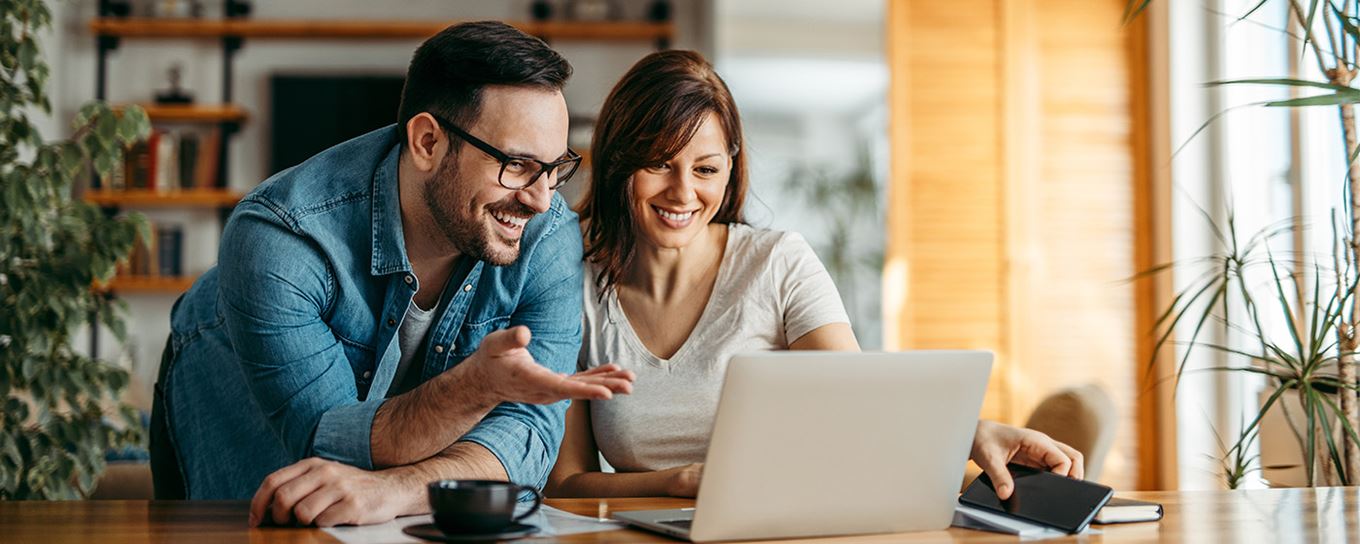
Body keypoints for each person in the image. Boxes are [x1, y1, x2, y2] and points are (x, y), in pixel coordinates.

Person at [150, 22, 635, 527]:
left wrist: (399, 489)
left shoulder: (549, 232)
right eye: (516, 165)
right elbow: (326, 441)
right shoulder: (283, 237)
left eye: (555, 168)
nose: (540, 199)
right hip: (231, 394)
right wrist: (477, 388)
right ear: (427, 142)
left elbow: (528, 437)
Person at [545, 50, 1084, 500]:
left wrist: (972, 432)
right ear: (617, 161)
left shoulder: (777, 263)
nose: (683, 192)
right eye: (659, 164)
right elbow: (566, 483)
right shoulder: (571, 278)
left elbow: (859, 396)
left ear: (730, 167)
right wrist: (678, 482)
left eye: (705, 169)